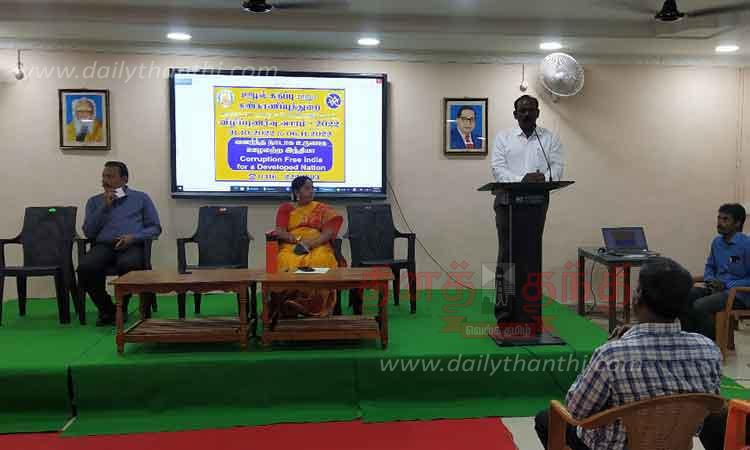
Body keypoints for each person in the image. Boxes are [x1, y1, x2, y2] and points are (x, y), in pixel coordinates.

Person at [534, 257, 722, 450]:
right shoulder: (708, 350)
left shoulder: (612, 355)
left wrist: (613, 345)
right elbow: (709, 410)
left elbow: (577, 411)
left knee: (546, 419)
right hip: (675, 445)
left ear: (637, 297)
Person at [77, 161, 161, 326]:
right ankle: (108, 309)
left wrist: (133, 237)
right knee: (86, 268)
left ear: (124, 179)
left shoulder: (141, 198)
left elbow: (155, 227)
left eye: (110, 176)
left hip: (131, 245)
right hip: (103, 246)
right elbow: (89, 232)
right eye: (104, 176)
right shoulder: (94, 202)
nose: (105, 180)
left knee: (128, 265)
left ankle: (122, 306)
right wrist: (104, 207)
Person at [268, 176, 343, 319]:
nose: (312, 191)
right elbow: (280, 231)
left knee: (321, 259)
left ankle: (315, 306)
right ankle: (289, 306)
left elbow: (328, 233)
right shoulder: (286, 208)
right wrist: (297, 240)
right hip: (292, 244)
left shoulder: (322, 208)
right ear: (297, 192)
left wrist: (310, 244)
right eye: (307, 188)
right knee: (285, 260)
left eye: (312, 188)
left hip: (317, 243)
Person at [680, 203, 750, 340]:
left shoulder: (746, 245)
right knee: (684, 296)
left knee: (700, 306)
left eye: (725, 219)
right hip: (716, 289)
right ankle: (689, 341)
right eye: (719, 218)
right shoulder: (717, 242)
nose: (719, 223)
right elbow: (710, 266)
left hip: (738, 294)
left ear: (737, 223)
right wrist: (709, 278)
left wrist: (727, 285)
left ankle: (709, 345)